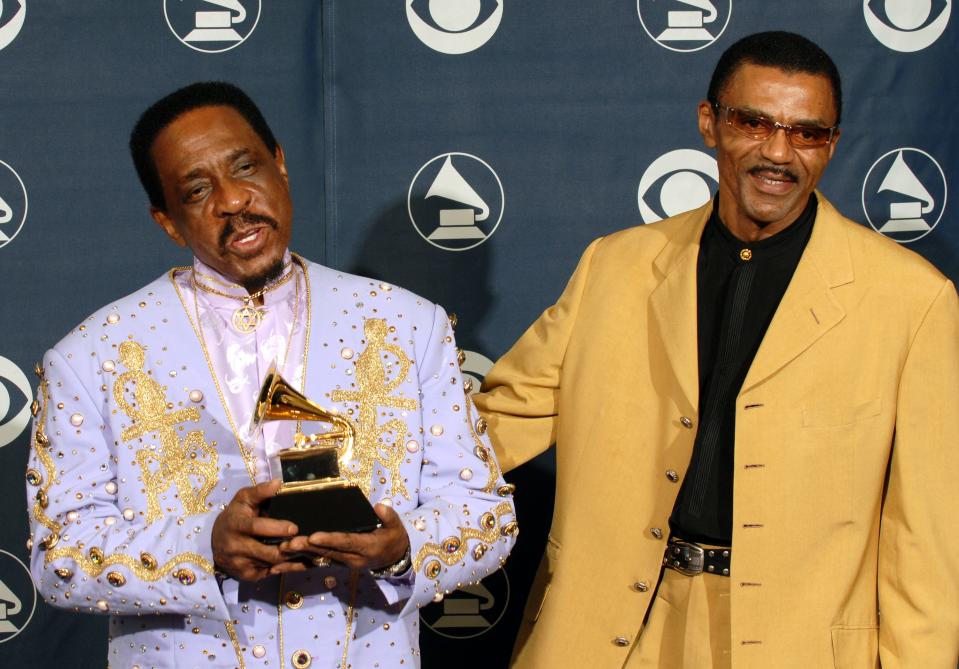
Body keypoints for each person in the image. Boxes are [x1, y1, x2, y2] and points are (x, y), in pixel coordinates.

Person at [473, 31, 959, 668]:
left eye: (806, 133)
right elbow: (499, 422)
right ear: (710, 123)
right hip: (614, 632)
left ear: (832, 145)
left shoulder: (911, 300)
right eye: (754, 123)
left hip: (798, 643)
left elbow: (927, 542)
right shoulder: (614, 267)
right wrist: (346, 478)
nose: (778, 153)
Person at [24, 81, 517, 669]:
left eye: (245, 167)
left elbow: (485, 514)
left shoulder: (408, 325)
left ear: (280, 165)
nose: (232, 200)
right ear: (168, 222)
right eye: (198, 189)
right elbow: (61, 555)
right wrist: (204, 547)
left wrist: (402, 546)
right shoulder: (90, 357)